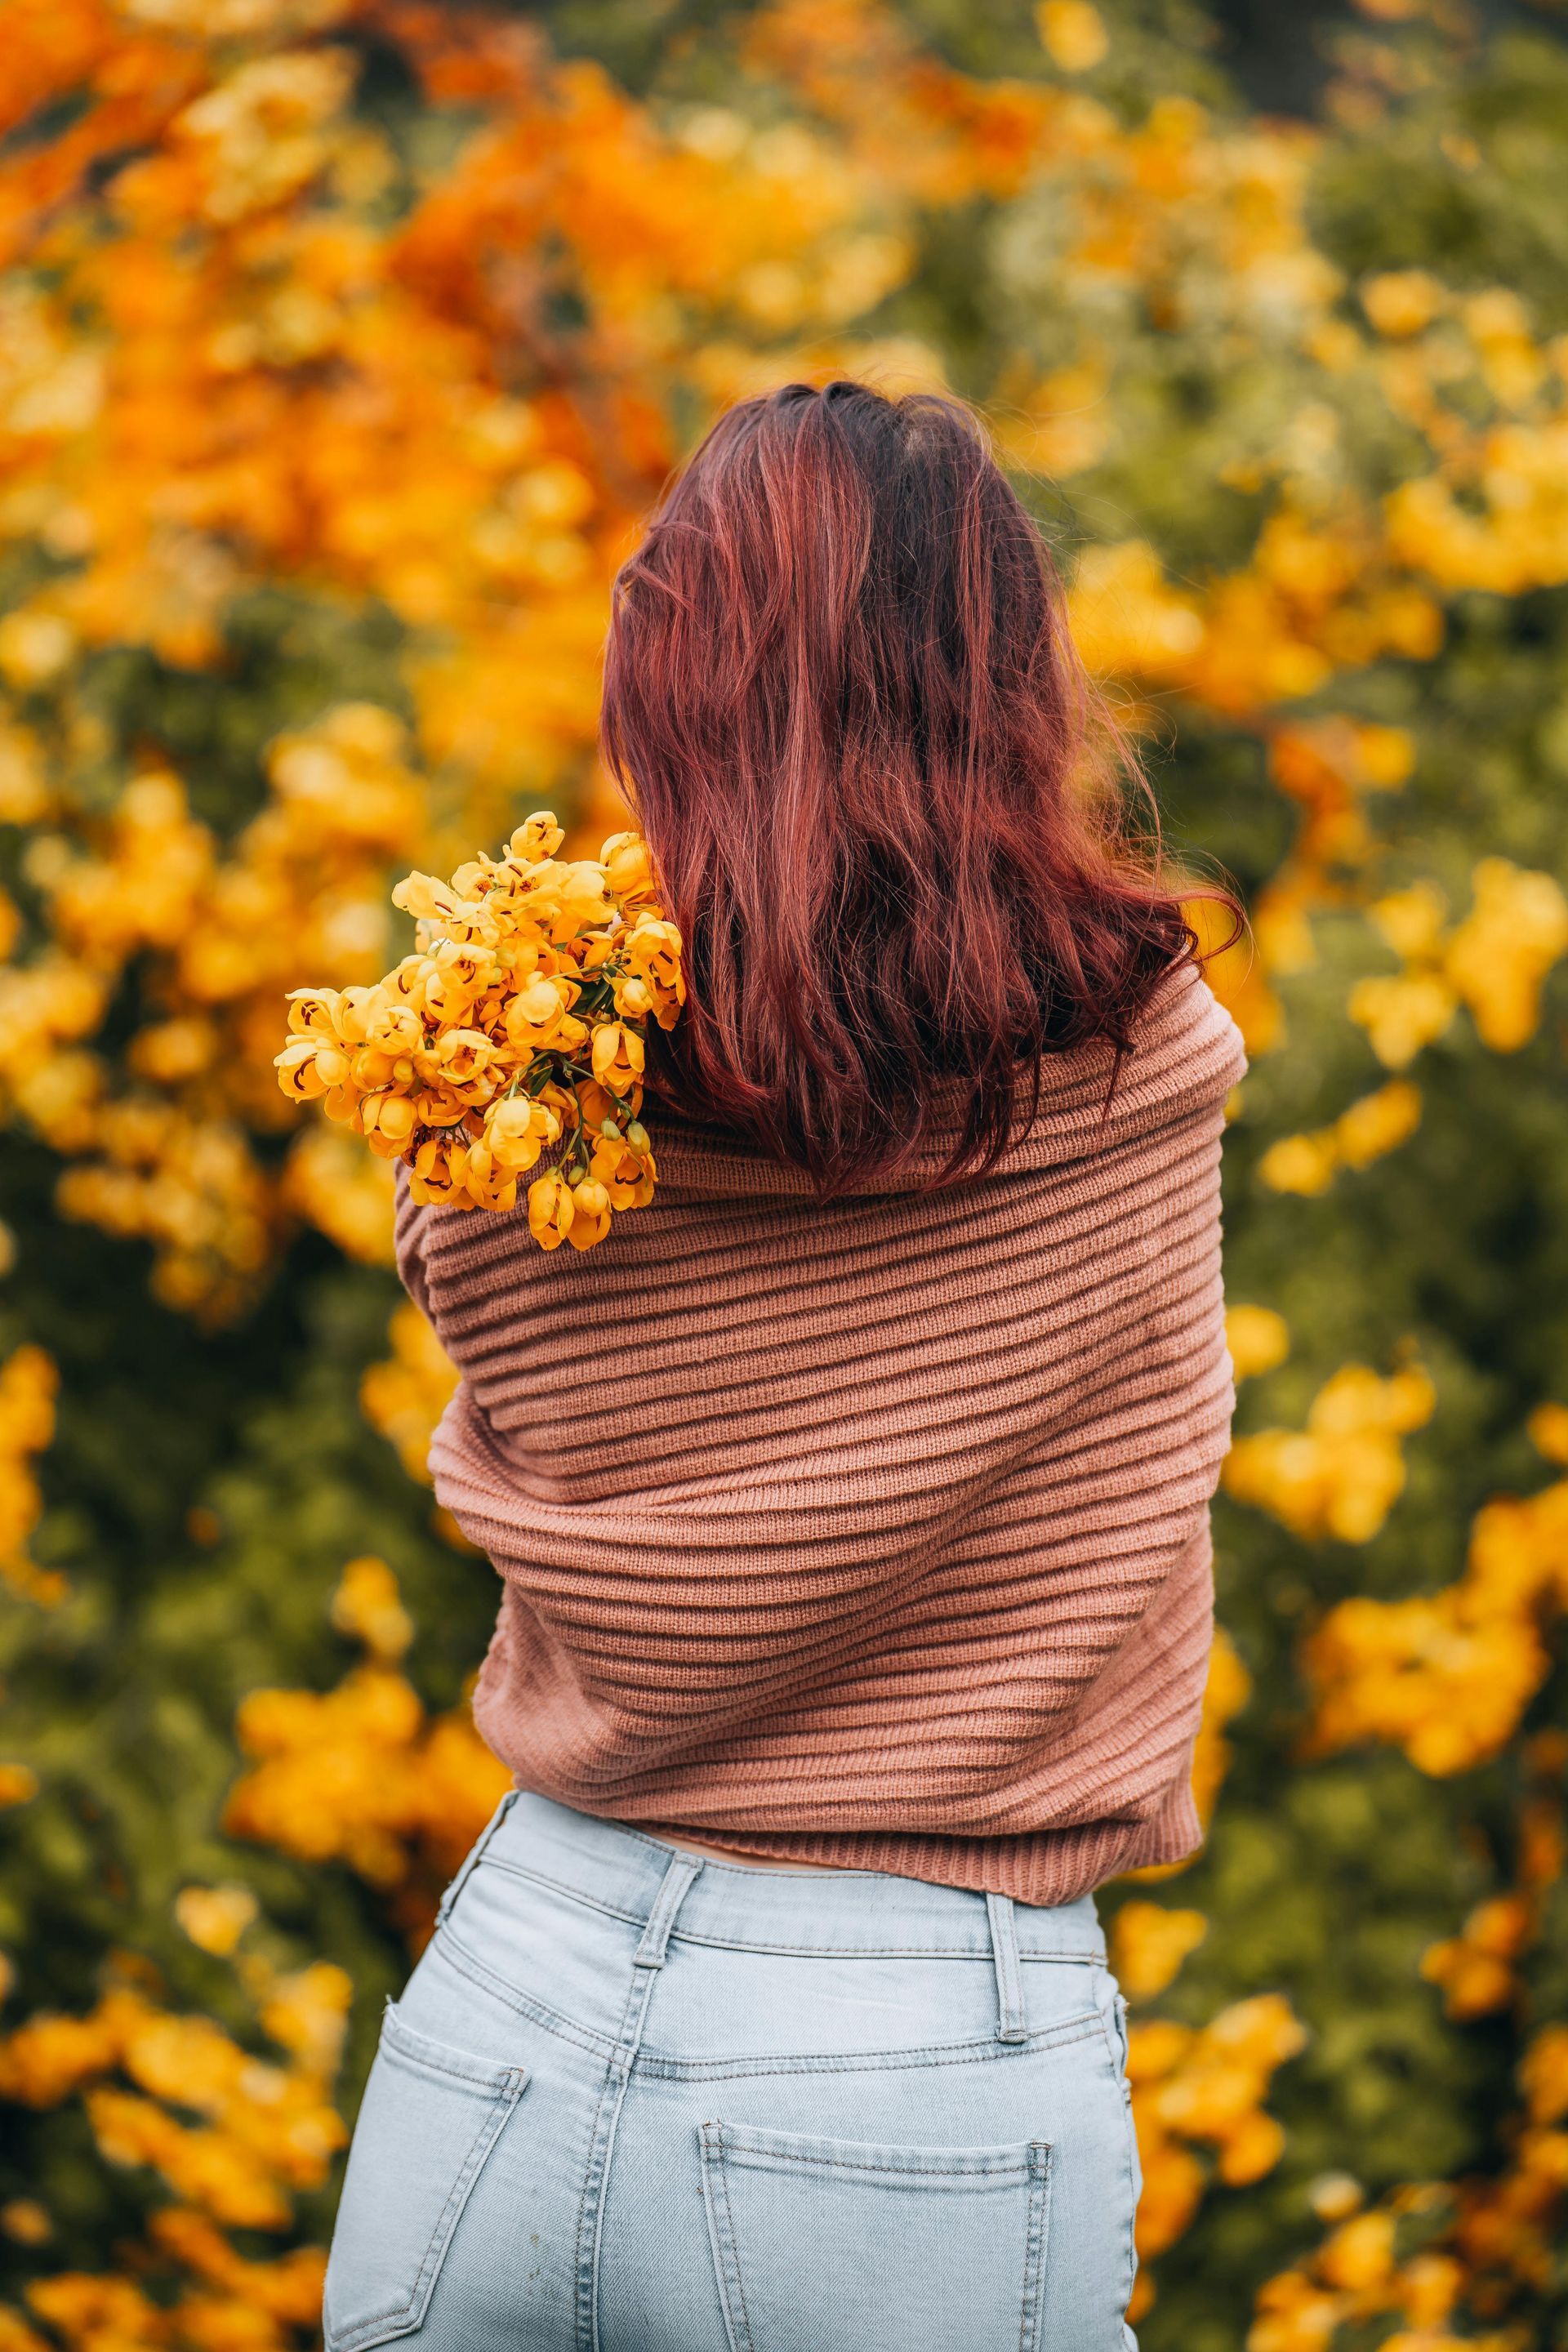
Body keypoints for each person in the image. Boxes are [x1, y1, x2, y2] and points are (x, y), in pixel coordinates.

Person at [323, 379, 1245, 2352]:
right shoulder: (1145, 1064)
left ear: (663, 685)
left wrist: (525, 1056)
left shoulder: (523, 1071)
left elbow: (480, 1333)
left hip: (515, 1992)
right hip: (911, 2055)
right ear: (1009, 690)